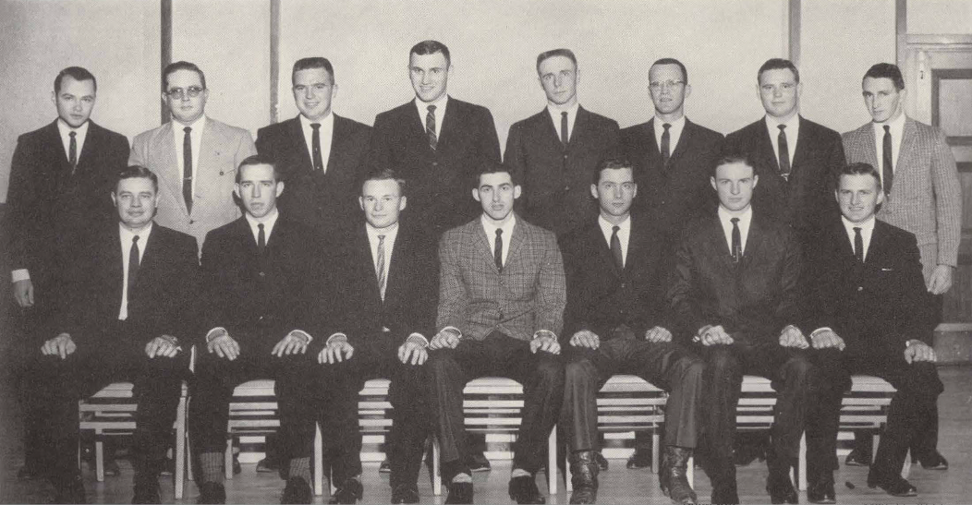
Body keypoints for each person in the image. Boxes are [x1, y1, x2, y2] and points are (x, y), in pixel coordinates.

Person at [25, 166, 198, 503]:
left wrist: (171, 337)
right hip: (97, 344)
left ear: (157, 200)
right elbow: (65, 298)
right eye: (126, 195)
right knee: (49, 369)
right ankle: (68, 484)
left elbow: (193, 306)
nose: (135, 204)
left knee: (164, 374)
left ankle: (146, 483)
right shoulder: (86, 243)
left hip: (150, 346)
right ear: (113, 199)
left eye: (144, 195)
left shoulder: (181, 246)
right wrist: (63, 332)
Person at [4, 66, 130, 481]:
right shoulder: (31, 144)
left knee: (87, 356)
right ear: (54, 97)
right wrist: (20, 271)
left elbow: (120, 213)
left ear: (96, 99)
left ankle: (102, 454)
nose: (78, 106)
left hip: (95, 275)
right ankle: (42, 459)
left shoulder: (114, 144)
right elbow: (17, 212)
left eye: (86, 98)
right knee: (38, 361)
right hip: (41, 277)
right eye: (69, 97)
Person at [668, 152, 813, 505]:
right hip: (717, 339)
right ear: (713, 184)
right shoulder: (692, 232)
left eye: (743, 181)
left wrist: (792, 325)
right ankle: (724, 480)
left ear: (755, 183)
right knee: (718, 366)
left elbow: (793, 294)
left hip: (766, 337)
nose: (735, 190)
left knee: (803, 368)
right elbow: (678, 294)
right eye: (726, 182)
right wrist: (702, 327)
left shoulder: (781, 232)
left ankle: (780, 473)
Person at [559, 158, 703, 504]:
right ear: (595, 191)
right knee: (574, 370)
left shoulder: (660, 238)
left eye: (625, 185)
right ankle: (584, 476)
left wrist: (667, 326)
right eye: (609, 185)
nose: (618, 193)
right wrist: (577, 329)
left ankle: (675, 471)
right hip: (598, 341)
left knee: (692, 367)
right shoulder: (571, 241)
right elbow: (560, 297)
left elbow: (677, 291)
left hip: (645, 340)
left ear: (636, 190)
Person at [803, 162, 943, 502]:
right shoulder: (812, 239)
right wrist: (819, 329)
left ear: (880, 197)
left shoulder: (900, 241)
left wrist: (917, 339)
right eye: (847, 192)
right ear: (836, 196)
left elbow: (918, 301)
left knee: (923, 375)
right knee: (821, 376)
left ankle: (886, 470)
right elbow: (798, 295)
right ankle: (821, 477)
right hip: (832, 344)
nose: (854, 201)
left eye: (864, 192)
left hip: (884, 344)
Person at [842, 62, 959, 470]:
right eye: (868, 95)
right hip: (868, 263)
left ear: (901, 94)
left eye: (883, 94)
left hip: (922, 267)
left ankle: (925, 446)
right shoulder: (850, 141)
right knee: (866, 344)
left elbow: (949, 202)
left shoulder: (930, 139)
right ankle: (863, 444)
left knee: (919, 353)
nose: (875, 102)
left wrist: (945, 261)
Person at [188, 155, 324, 504]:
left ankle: (297, 479)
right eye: (248, 184)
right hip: (236, 343)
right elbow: (205, 297)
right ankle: (212, 482)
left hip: (286, 341)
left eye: (265, 184)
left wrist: (302, 332)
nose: (257, 192)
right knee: (206, 372)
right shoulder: (219, 239)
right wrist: (216, 332)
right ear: (237, 191)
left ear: (279, 188)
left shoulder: (306, 236)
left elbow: (318, 295)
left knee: (301, 370)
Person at [429, 161, 566, 504]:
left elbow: (552, 300)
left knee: (551, 368)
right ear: (476, 195)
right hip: (473, 337)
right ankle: (458, 473)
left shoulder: (543, 240)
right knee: (438, 364)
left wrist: (546, 332)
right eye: (487, 189)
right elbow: (452, 298)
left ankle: (523, 472)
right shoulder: (455, 240)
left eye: (504, 188)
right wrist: (448, 330)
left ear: (516, 191)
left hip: (523, 339)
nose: (496, 197)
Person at [619, 57, 723, 469]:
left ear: (687, 89)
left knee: (684, 344)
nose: (664, 92)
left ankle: (686, 444)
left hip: (692, 261)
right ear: (648, 90)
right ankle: (647, 445)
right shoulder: (625, 139)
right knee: (650, 340)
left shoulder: (713, 140)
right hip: (641, 256)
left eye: (673, 84)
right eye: (656, 85)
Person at [311, 168, 437, 504]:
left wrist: (418, 337)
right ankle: (347, 478)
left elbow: (433, 299)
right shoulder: (337, 243)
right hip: (356, 341)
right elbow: (324, 300)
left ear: (403, 202)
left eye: (387, 198)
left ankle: (404, 479)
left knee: (419, 374)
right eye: (370, 199)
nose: (378, 207)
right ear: (360, 202)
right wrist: (335, 336)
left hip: (403, 342)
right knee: (331, 370)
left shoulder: (425, 242)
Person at [367, 40, 501, 238]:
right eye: (418, 70)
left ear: (450, 71)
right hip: (410, 237)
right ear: (408, 71)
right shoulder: (387, 122)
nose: (425, 80)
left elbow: (492, 179)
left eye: (435, 71)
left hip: (468, 234)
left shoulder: (477, 117)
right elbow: (380, 186)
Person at [129, 60, 257, 249]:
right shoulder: (144, 144)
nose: (185, 98)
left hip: (226, 249)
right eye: (176, 92)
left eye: (193, 90)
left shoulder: (238, 139)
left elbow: (253, 199)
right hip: (165, 252)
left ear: (206, 95)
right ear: (165, 98)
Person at [724, 58, 846, 252]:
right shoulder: (737, 141)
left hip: (818, 253)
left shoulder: (828, 140)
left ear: (799, 89)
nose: (777, 94)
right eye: (768, 87)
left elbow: (838, 201)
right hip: (759, 254)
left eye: (786, 86)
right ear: (758, 92)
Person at [504, 48, 620, 235]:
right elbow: (513, 193)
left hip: (594, 239)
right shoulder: (521, 131)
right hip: (539, 239)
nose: (557, 83)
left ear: (578, 75)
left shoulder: (606, 129)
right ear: (540, 82)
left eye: (565, 74)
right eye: (549, 76)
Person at [256, 57, 371, 236]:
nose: (309, 96)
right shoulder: (270, 138)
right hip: (291, 248)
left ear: (334, 90)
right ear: (293, 92)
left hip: (349, 249)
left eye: (318, 87)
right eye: (301, 88)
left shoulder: (363, 136)